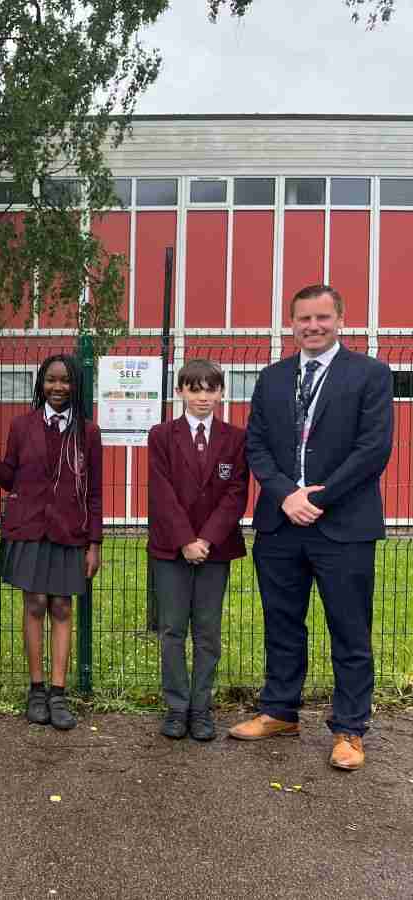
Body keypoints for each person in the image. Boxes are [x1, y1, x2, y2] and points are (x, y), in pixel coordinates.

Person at [230, 284, 393, 771]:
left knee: (349, 629)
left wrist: (316, 498)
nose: (313, 326)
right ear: (292, 323)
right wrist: (285, 495)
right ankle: (280, 710)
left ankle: (350, 729)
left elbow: (373, 450)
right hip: (281, 524)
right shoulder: (273, 377)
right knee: (281, 624)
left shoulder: (370, 374)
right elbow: (256, 444)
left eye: (322, 317)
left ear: (341, 319)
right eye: (304, 318)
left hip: (342, 523)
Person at [0, 354, 102, 730]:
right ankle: (36, 690)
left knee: (62, 607)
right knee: (34, 603)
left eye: (65, 381)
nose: (58, 387)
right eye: (51, 380)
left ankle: (58, 692)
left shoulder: (88, 432)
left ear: (76, 386)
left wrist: (94, 543)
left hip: (68, 531)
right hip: (30, 527)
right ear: (41, 384)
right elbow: (11, 479)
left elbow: (95, 493)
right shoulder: (22, 426)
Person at [147, 360, 248, 742]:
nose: (203, 396)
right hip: (171, 548)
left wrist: (205, 540)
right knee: (172, 629)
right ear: (181, 392)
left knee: (207, 631)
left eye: (210, 389)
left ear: (222, 393)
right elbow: (161, 493)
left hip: (215, 550)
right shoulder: (161, 435)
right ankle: (176, 707)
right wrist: (186, 540)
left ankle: (200, 707)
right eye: (194, 389)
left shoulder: (235, 438)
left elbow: (236, 493)